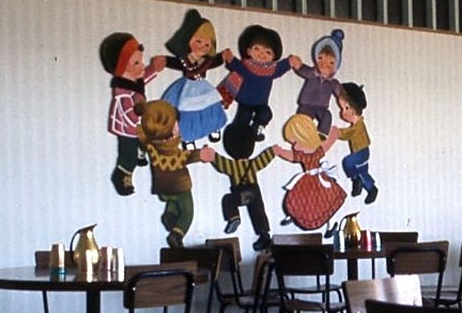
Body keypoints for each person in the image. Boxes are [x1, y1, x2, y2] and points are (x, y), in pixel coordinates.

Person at [136, 99, 213, 248]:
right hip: (180, 185)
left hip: (163, 188)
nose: (178, 127)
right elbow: (184, 157)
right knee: (187, 212)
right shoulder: (170, 149)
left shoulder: (151, 146)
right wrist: (200, 154)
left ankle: (169, 216)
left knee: (174, 202)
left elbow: (141, 137)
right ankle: (177, 234)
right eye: (176, 124)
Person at [101, 32, 164, 196]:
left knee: (146, 141)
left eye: (141, 61)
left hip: (137, 126)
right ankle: (122, 175)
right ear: (122, 67)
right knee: (127, 154)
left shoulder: (133, 83)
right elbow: (128, 114)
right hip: (127, 130)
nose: (142, 66)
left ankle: (140, 153)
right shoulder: (123, 92)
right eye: (137, 63)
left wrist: (154, 69)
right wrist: (139, 113)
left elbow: (143, 80)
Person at [158, 9, 230, 144]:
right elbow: (176, 63)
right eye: (199, 41)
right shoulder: (185, 60)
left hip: (203, 86)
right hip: (188, 87)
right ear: (188, 40)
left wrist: (222, 56)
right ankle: (188, 137)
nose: (203, 46)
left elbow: (215, 62)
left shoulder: (207, 61)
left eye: (207, 44)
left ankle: (214, 128)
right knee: (187, 111)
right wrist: (165, 60)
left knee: (211, 107)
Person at [218, 24, 299, 141]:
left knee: (266, 114)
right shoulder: (245, 66)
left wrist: (290, 61)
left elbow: (282, 66)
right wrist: (230, 57)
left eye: (268, 52)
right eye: (257, 49)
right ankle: (238, 141)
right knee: (242, 120)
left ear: (273, 57)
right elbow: (235, 65)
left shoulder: (271, 70)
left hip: (261, 103)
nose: (262, 54)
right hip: (244, 101)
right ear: (249, 51)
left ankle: (258, 128)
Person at [206, 122, 277, 252]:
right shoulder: (253, 163)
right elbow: (263, 159)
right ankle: (264, 234)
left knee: (229, 200)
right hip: (254, 192)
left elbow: (221, 163)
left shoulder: (232, 166)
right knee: (258, 212)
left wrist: (212, 155)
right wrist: (273, 150)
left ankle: (234, 217)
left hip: (241, 193)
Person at [273, 113, 346, 231]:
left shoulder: (317, 151)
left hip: (318, 181)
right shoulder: (302, 155)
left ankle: (331, 225)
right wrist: (280, 151)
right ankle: (293, 214)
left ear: (305, 137)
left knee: (324, 202)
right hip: (307, 181)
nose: (294, 147)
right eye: (292, 144)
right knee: (298, 199)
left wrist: (333, 134)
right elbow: (291, 156)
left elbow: (327, 144)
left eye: (296, 142)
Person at [293, 28, 344, 136]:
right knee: (304, 119)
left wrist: (345, 102)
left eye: (330, 62)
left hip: (322, 107)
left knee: (327, 116)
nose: (324, 64)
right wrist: (298, 65)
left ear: (335, 67)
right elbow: (302, 70)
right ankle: (302, 134)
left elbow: (341, 94)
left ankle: (322, 135)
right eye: (321, 59)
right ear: (316, 59)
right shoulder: (312, 73)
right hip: (306, 105)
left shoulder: (333, 83)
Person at [336, 82, 379, 204]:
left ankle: (356, 180)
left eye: (346, 108)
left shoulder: (358, 125)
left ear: (355, 108)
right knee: (363, 172)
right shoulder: (356, 124)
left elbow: (349, 133)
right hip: (362, 152)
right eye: (342, 108)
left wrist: (338, 132)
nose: (342, 112)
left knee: (348, 162)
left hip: (362, 152)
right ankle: (371, 189)